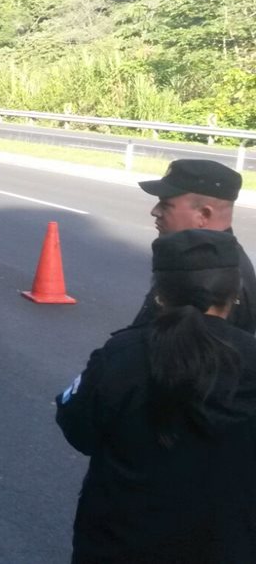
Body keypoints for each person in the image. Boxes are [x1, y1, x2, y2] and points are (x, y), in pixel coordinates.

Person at [57, 229, 256, 561]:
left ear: (160, 295)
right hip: (227, 546)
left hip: (119, 543)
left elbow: (77, 427)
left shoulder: (122, 354)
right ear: (234, 293)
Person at [134, 159, 256, 332]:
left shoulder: (218, 280)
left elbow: (194, 347)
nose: (155, 211)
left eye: (166, 205)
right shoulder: (199, 260)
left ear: (204, 215)